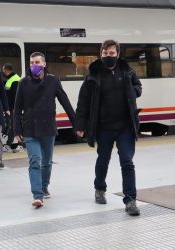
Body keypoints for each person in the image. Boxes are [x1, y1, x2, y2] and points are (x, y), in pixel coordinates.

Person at [75, 40, 142, 216]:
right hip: (103, 127)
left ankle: (130, 200)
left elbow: (138, 87)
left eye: (111, 53)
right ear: (101, 54)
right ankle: (100, 188)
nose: (108, 56)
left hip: (125, 126)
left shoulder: (127, 71)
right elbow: (83, 102)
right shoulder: (93, 74)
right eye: (105, 53)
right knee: (103, 160)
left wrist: (132, 93)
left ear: (117, 54)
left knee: (127, 161)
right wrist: (80, 125)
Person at [13, 52, 75, 208]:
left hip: (48, 127)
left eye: (37, 62)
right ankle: (37, 194)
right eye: (32, 62)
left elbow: (65, 102)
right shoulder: (23, 83)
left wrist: (77, 123)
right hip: (30, 128)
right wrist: (17, 129)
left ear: (44, 64)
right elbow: (17, 108)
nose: (34, 65)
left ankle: (44, 185)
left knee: (46, 162)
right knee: (34, 161)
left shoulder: (53, 81)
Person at [1, 63, 23, 153]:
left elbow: (15, 97)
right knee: (12, 126)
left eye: (3, 70)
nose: (2, 72)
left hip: (13, 108)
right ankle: (9, 144)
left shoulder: (15, 80)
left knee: (15, 125)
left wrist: (12, 109)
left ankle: (19, 145)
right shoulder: (10, 79)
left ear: (6, 70)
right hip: (10, 108)